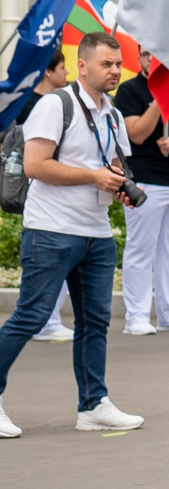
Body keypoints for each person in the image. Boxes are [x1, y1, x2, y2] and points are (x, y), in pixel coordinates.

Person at [0, 31, 148, 436]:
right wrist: (93, 176)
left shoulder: (112, 115)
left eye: (118, 64)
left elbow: (112, 166)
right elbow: (35, 165)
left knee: (94, 323)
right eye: (106, 64)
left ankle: (93, 405)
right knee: (31, 316)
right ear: (81, 66)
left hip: (96, 233)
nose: (115, 71)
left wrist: (120, 186)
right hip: (51, 230)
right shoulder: (55, 104)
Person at [115, 54, 169, 336]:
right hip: (145, 180)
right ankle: (137, 316)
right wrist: (158, 100)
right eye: (146, 54)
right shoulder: (130, 90)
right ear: (139, 56)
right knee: (140, 249)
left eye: (158, 54)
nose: (152, 59)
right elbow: (136, 134)